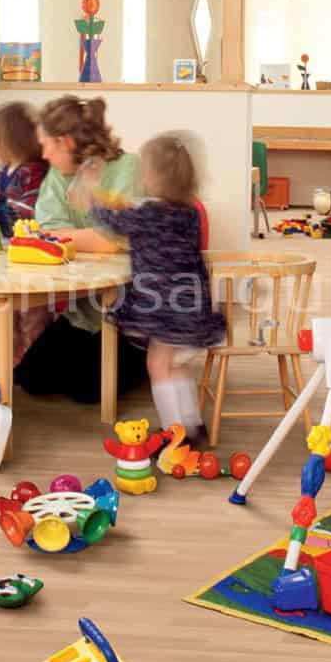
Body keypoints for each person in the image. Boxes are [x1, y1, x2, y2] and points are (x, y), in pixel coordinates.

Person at [82, 132, 225, 440]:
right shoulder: (190, 212)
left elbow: (113, 221)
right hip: (192, 304)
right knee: (178, 365)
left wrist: (91, 191)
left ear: (154, 177)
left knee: (158, 364)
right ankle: (191, 425)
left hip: (165, 306)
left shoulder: (147, 214)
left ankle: (174, 433)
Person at [12, 95, 147, 403]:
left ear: (66, 142)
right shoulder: (57, 177)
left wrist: (75, 238)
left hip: (128, 314)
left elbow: (113, 239)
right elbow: (49, 233)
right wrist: (93, 237)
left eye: (46, 145)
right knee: (30, 379)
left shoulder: (129, 168)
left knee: (86, 391)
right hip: (85, 313)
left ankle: (147, 359)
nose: (43, 154)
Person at [0, 101, 48, 240]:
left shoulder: (33, 171)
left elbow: (28, 210)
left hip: (26, 241)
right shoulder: (0, 171)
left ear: (10, 141)